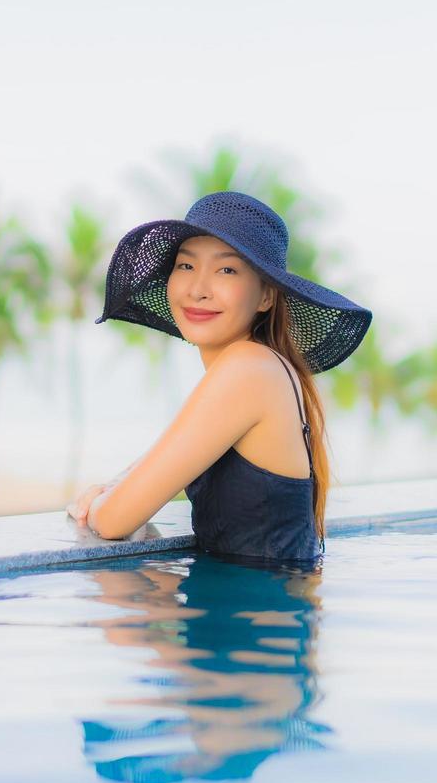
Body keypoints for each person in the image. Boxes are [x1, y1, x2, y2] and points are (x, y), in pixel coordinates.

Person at [66, 190, 372, 564]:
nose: (198, 289)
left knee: (113, 598)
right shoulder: (258, 367)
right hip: (264, 606)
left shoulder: (248, 368)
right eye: (186, 266)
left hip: (254, 611)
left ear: (266, 298)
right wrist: (113, 487)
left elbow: (114, 521)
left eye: (227, 270)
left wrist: (96, 503)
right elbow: (160, 459)